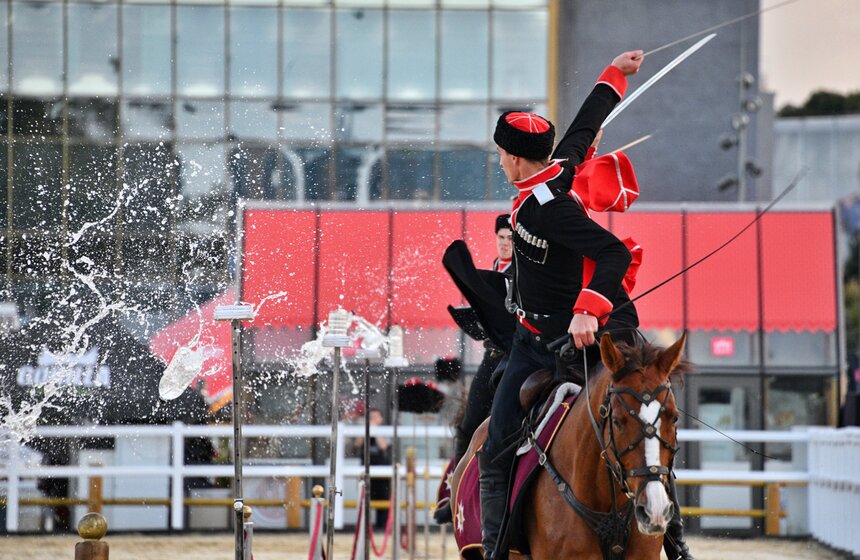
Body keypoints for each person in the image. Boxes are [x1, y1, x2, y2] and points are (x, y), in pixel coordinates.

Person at [477, 50, 690, 560]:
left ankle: (674, 541)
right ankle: (498, 548)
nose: (500, 161)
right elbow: (585, 125)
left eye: (502, 154)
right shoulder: (554, 170)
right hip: (532, 338)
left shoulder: (545, 208)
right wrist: (615, 73)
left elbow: (613, 252)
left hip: (567, 340)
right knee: (497, 444)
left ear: (515, 157)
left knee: (637, 418)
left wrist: (587, 308)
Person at [434, 215, 513, 524]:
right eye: (501, 237)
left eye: (510, 238)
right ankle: (454, 494)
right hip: (491, 355)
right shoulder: (493, 267)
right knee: (468, 426)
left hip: (513, 357)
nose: (505, 243)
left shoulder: (521, 272)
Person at [356, 407, 391, 531]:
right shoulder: (362, 429)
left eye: (376, 417)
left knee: (382, 495)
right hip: (366, 465)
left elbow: (384, 446)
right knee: (365, 495)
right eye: (371, 418)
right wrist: (365, 431)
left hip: (381, 466)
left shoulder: (384, 431)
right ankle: (365, 525)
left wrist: (375, 431)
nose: (373, 420)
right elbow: (358, 444)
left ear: (381, 419)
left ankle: (382, 525)